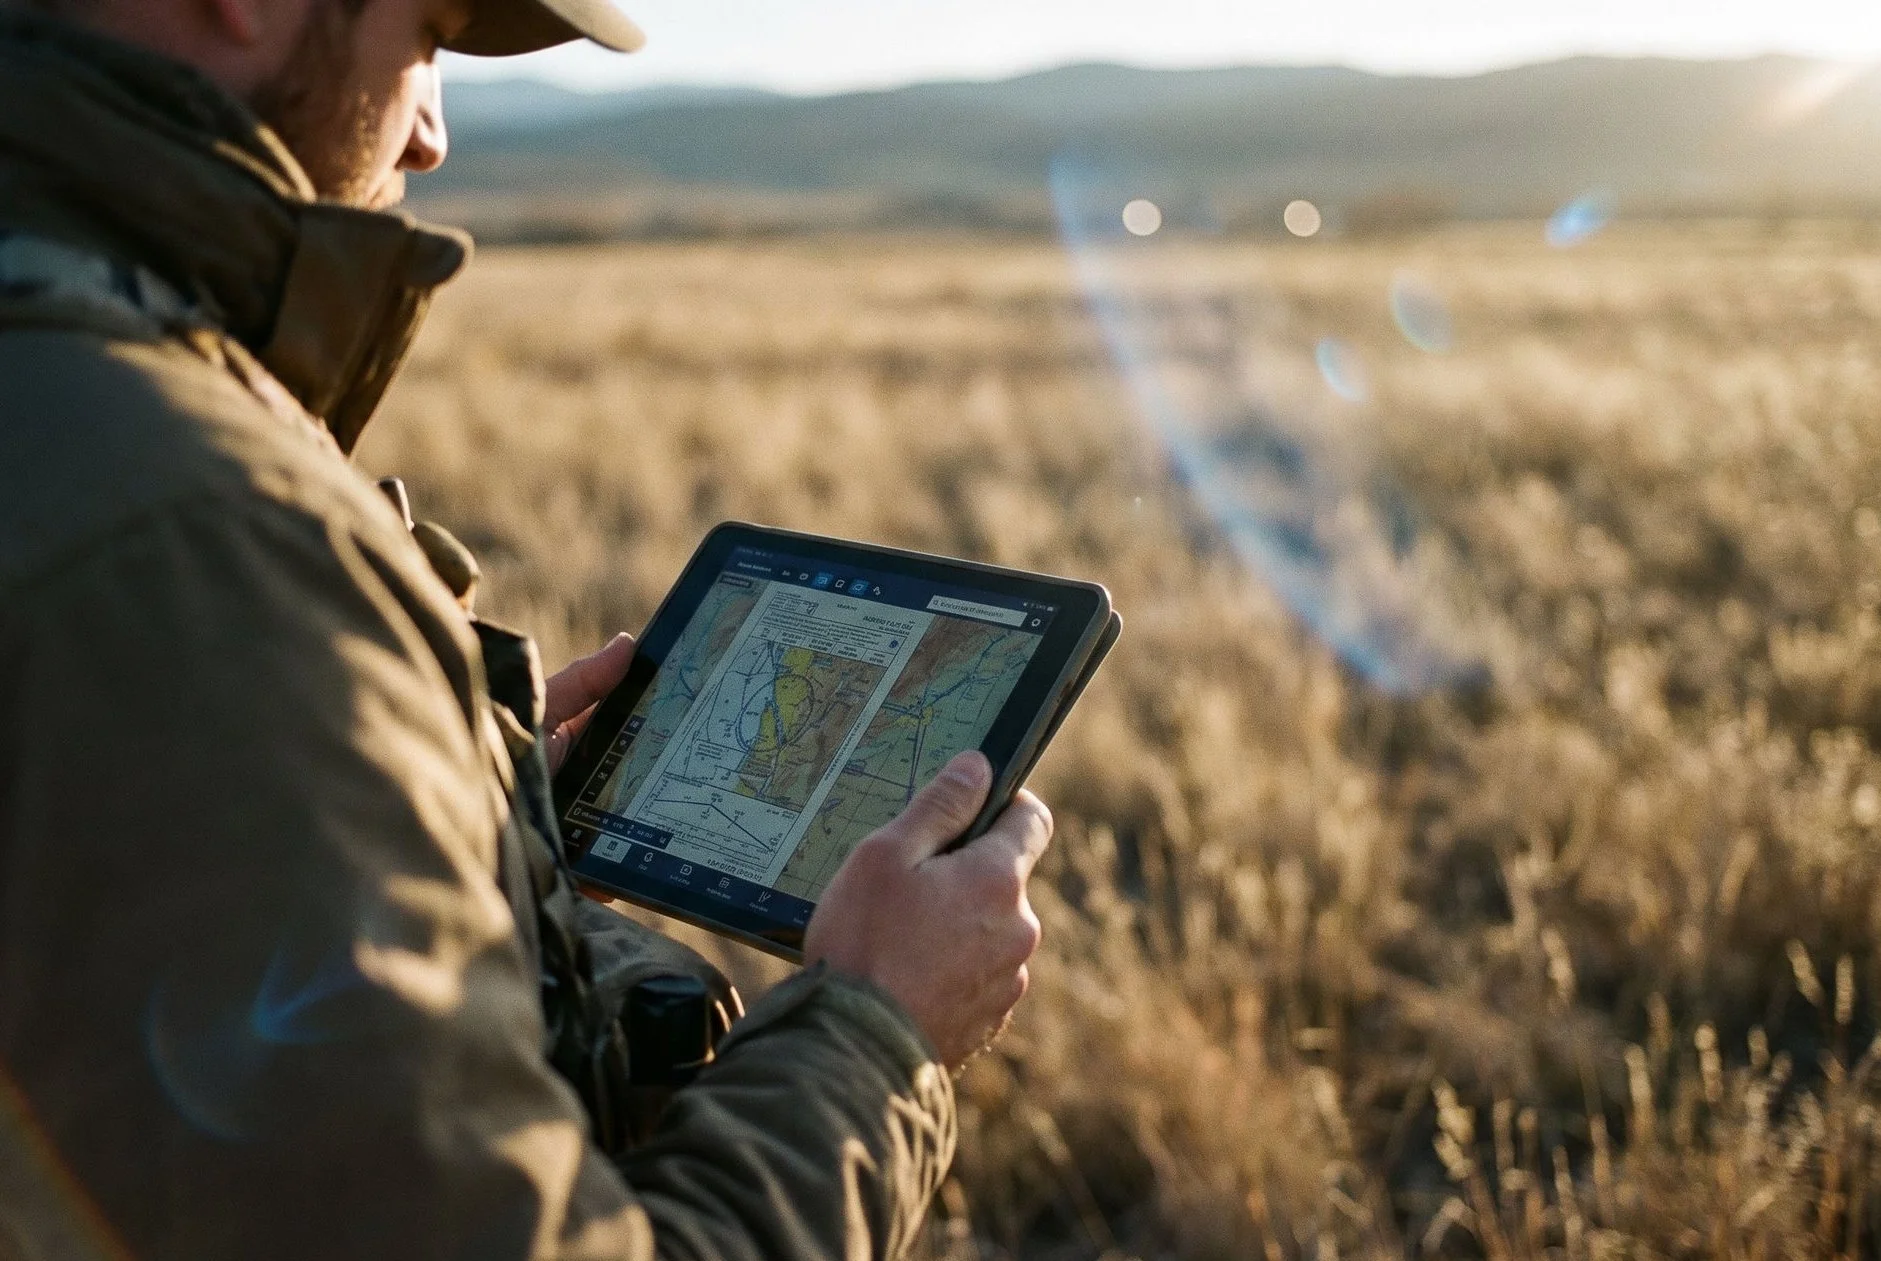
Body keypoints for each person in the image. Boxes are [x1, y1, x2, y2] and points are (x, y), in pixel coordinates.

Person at [0, 0, 1054, 1256]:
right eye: (430, 31)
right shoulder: (190, 537)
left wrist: (454, 812)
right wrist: (878, 1029)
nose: (433, 131)